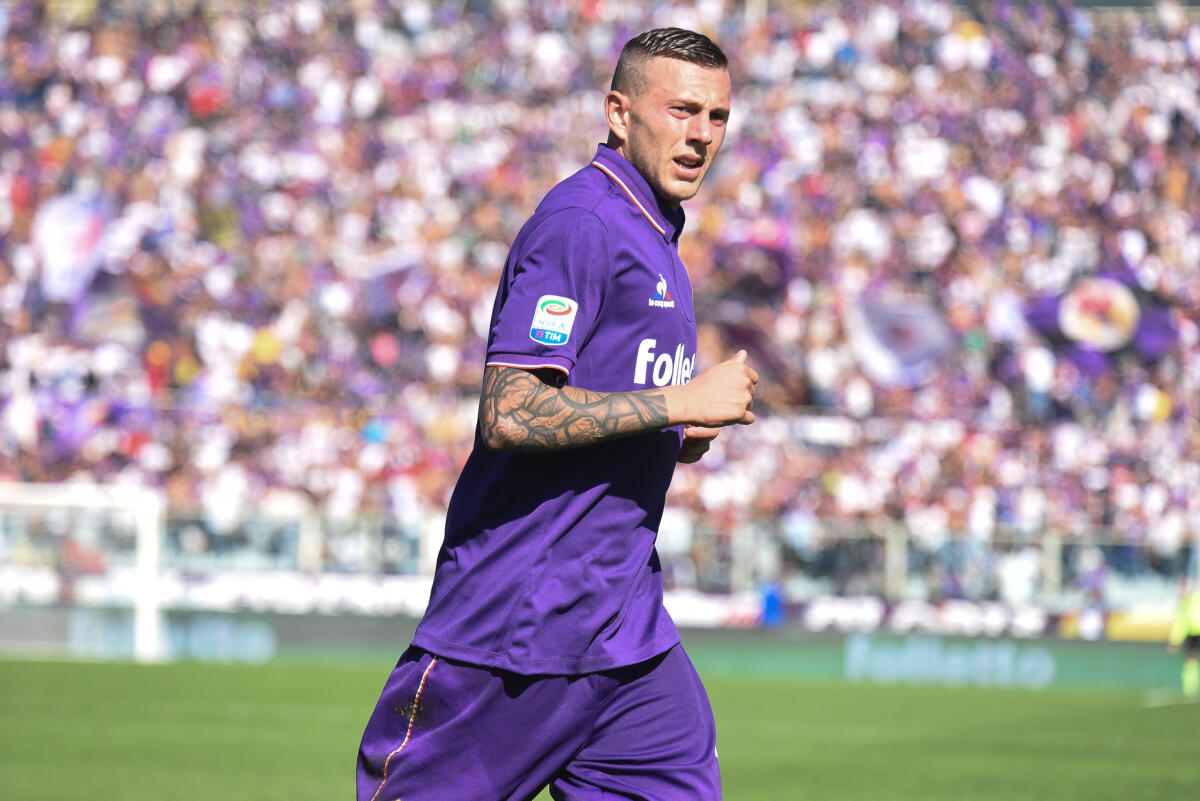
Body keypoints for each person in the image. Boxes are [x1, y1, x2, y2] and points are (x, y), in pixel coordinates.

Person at [357, 27, 757, 801]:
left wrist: (675, 433)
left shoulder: (656, 235)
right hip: (514, 628)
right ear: (619, 111)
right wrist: (678, 401)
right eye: (681, 110)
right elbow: (511, 409)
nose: (700, 134)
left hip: (622, 630)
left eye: (716, 117)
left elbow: (604, 406)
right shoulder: (584, 223)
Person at [1167, 581, 1200, 698]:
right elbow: (1181, 623)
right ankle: (1190, 689)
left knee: (1191, 659)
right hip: (1192, 632)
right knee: (1191, 660)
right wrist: (1175, 640)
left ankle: (1190, 689)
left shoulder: (1191, 599)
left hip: (1194, 631)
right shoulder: (1185, 603)